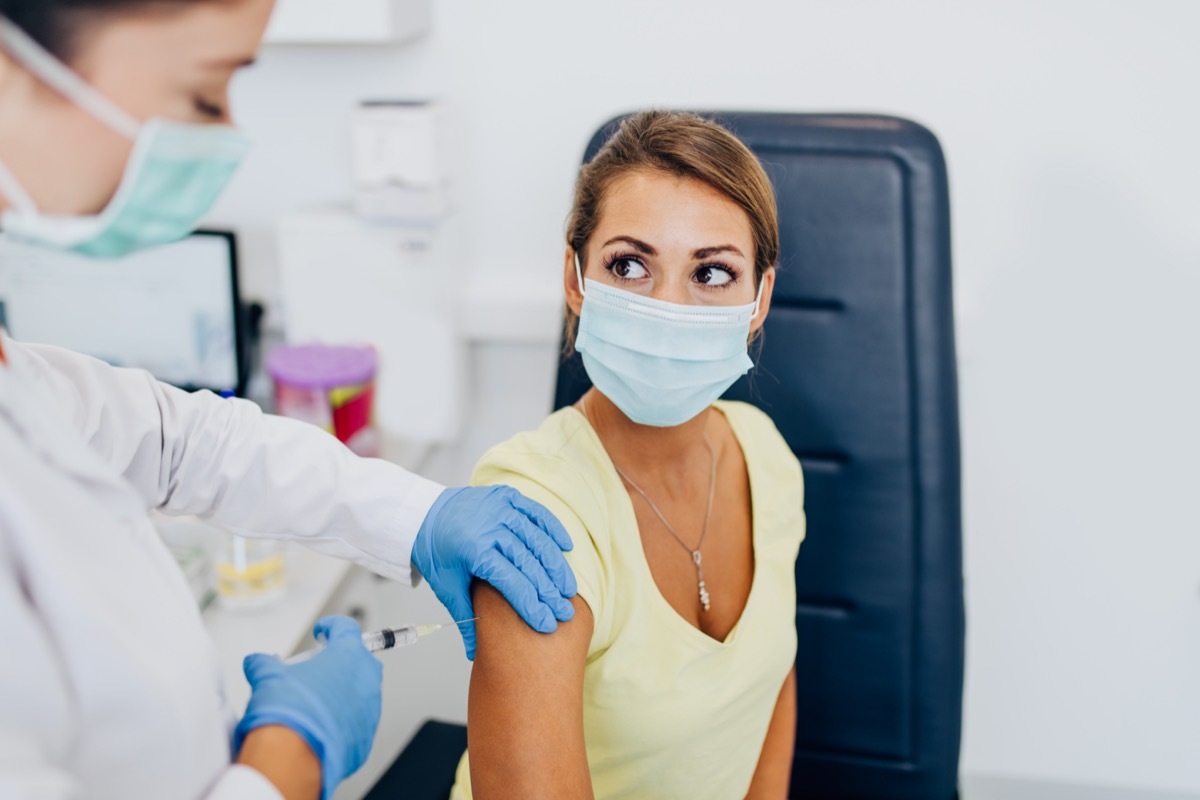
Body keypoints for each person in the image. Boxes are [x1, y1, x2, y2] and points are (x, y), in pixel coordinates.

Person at [0, 1, 577, 798]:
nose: (227, 133)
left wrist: (418, 517)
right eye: (205, 95)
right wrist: (288, 756)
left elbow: (180, 442)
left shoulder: (21, 383)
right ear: (13, 69)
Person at [451, 111, 805, 799]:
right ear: (575, 278)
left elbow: (773, 685)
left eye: (712, 273)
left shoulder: (765, 454)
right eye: (631, 265)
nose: (669, 307)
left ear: (759, 298)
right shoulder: (534, 509)